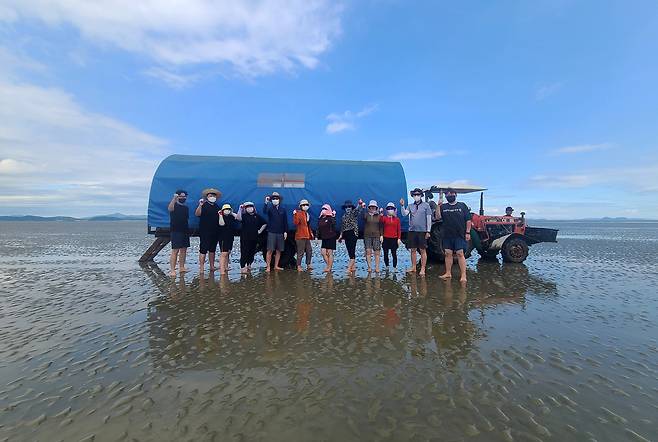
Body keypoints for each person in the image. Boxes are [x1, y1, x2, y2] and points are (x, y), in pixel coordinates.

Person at [436, 188, 472, 283]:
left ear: (455, 194)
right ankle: (448, 273)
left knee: (460, 254)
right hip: (447, 235)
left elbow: (468, 220)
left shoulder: (462, 205)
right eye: (447, 194)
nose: (449, 195)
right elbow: (438, 217)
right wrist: (438, 206)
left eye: (451, 193)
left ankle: (463, 275)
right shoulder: (443, 206)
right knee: (448, 254)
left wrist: (468, 232)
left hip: (459, 234)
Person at [400, 187, 432, 276]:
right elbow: (404, 214)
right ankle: (413, 267)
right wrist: (402, 205)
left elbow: (429, 218)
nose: (416, 196)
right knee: (413, 250)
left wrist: (428, 231)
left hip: (422, 231)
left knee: (422, 250)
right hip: (412, 231)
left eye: (418, 194)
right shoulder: (410, 205)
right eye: (415, 195)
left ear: (421, 195)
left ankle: (423, 268)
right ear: (412, 196)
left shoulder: (426, 205)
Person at [235, 201, 267, 273]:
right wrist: (240, 209)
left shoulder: (257, 216)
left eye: (251, 207)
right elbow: (238, 218)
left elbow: (264, 223)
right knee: (244, 252)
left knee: (251, 252)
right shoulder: (244, 215)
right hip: (245, 238)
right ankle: (243, 267)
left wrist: (260, 231)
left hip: (254, 238)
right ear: (245, 209)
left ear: (253, 208)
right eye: (247, 207)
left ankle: (249, 265)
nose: (250, 208)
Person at [195, 188, 221, 273]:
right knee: (203, 249)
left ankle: (212, 266)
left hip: (215, 231)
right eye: (210, 195)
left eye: (214, 195)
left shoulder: (217, 207)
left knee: (212, 249)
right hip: (205, 231)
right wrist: (200, 205)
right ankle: (201, 268)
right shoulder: (203, 205)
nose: (212, 197)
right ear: (207, 197)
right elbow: (197, 214)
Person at [263, 191, 288, 271]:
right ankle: (268, 267)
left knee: (278, 250)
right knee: (270, 250)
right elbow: (264, 212)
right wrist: (266, 203)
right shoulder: (270, 209)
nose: (275, 200)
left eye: (276, 198)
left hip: (280, 232)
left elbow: (285, 221)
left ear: (279, 200)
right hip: (271, 232)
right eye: (273, 199)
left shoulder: (283, 209)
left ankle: (276, 266)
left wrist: (285, 231)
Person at [168, 190, 190, 277]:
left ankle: (181, 267)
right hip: (175, 231)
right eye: (181, 196)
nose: (183, 198)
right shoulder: (174, 205)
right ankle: (172, 270)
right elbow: (170, 208)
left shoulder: (186, 208)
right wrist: (174, 198)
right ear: (177, 196)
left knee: (184, 250)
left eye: (184, 197)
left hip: (185, 230)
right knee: (175, 250)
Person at [337, 199, 362, 273]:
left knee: (352, 250)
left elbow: (358, 210)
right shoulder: (343, 216)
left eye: (349, 206)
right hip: (346, 234)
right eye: (346, 207)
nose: (348, 208)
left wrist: (359, 204)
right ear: (344, 208)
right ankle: (353, 267)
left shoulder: (354, 213)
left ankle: (348, 268)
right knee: (349, 250)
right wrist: (340, 236)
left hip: (353, 233)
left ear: (351, 207)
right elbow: (342, 227)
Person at [362, 200, 383, 273]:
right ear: (369, 207)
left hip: (377, 235)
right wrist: (363, 208)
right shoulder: (366, 214)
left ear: (376, 207)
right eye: (371, 206)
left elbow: (381, 226)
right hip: (367, 235)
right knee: (368, 251)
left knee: (377, 252)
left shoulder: (379, 216)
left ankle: (377, 267)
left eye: (374, 206)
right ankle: (369, 267)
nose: (373, 208)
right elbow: (363, 216)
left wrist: (381, 235)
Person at [293, 199, 314, 272]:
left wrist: (311, 233)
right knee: (300, 252)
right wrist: (295, 215)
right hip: (300, 236)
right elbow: (296, 223)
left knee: (309, 250)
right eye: (303, 205)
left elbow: (308, 225)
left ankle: (308, 264)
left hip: (307, 235)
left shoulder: (308, 214)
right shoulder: (298, 213)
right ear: (301, 206)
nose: (305, 206)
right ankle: (298, 266)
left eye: (306, 205)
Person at [381, 202, 402, 271]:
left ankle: (394, 267)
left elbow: (399, 230)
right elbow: (380, 223)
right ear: (386, 210)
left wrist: (399, 238)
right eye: (389, 208)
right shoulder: (384, 218)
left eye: (392, 208)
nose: (390, 210)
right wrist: (381, 214)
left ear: (394, 209)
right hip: (385, 238)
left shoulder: (397, 219)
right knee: (385, 253)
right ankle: (387, 266)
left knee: (394, 253)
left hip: (394, 239)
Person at [218, 203, 238, 274]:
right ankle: (221, 270)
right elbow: (221, 224)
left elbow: (238, 217)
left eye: (228, 209)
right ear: (223, 210)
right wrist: (220, 215)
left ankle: (226, 267)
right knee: (224, 253)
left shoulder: (231, 216)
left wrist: (232, 213)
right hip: (223, 238)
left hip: (230, 237)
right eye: (225, 209)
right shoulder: (220, 216)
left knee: (228, 252)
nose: (227, 210)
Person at [318, 204, 338, 273]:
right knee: (323, 252)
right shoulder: (321, 218)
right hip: (324, 237)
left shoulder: (330, 218)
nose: (324, 210)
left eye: (325, 209)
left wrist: (333, 216)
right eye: (323, 209)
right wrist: (316, 237)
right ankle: (329, 266)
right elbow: (318, 228)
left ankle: (329, 267)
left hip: (331, 237)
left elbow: (334, 224)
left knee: (330, 252)